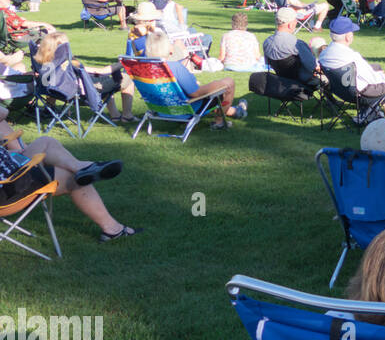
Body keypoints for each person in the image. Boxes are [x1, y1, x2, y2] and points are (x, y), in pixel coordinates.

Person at [0, 105, 136, 242]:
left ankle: (81, 167)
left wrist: (9, 155)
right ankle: (113, 229)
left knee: (45, 142)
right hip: (10, 186)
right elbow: (3, 113)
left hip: (9, 170)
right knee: (73, 178)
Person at [143, 29, 246, 129]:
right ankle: (219, 122)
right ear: (168, 49)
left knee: (211, 86)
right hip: (185, 110)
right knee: (229, 82)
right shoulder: (174, 67)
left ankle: (237, 111)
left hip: (161, 109)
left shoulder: (144, 68)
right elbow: (195, 93)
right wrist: (217, 84)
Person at [33, 32, 137, 122]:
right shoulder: (69, 64)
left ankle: (115, 115)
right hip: (81, 93)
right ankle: (127, 116)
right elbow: (101, 71)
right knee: (127, 79)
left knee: (102, 82)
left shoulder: (43, 64)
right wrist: (124, 63)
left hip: (59, 92)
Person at [318, 15, 385, 107]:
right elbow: (373, 80)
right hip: (363, 94)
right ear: (348, 37)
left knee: (376, 67)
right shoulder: (352, 57)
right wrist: (382, 76)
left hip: (342, 92)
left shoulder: (324, 54)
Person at [263, 7, 320, 83]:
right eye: (296, 21)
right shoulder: (298, 44)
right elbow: (313, 67)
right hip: (302, 82)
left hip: (280, 81)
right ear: (290, 25)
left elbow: (268, 64)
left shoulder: (267, 42)